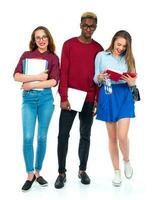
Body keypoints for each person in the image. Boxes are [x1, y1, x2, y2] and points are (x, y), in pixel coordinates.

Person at [54, 12, 103, 189]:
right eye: (85, 25)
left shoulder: (98, 48)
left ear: (95, 27)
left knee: (85, 135)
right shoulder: (69, 44)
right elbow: (63, 71)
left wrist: (97, 99)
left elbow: (99, 76)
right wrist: (64, 97)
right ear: (80, 25)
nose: (88, 29)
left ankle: (82, 170)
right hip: (71, 97)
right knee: (63, 136)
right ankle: (61, 173)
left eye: (92, 26)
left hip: (89, 98)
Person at [13, 26, 59, 191]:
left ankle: (38, 172)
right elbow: (16, 76)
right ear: (34, 40)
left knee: (41, 137)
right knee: (27, 137)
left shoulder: (53, 58)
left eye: (44, 37)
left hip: (46, 99)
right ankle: (30, 174)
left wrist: (29, 84)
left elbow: (53, 82)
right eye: (38, 37)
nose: (41, 40)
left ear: (48, 38)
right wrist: (38, 77)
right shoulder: (26, 56)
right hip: (29, 100)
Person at [94, 30, 137, 187]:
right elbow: (95, 77)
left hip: (124, 95)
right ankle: (116, 171)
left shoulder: (129, 59)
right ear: (113, 41)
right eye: (118, 44)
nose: (121, 48)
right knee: (112, 137)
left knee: (122, 136)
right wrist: (98, 78)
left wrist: (132, 83)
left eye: (124, 46)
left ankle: (126, 160)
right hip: (108, 94)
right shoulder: (101, 56)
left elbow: (133, 82)